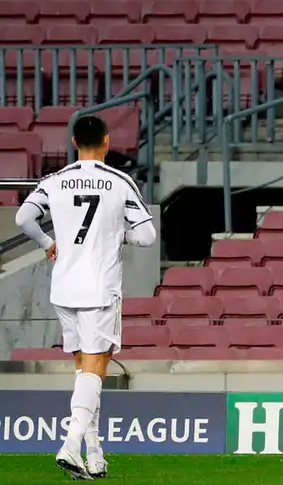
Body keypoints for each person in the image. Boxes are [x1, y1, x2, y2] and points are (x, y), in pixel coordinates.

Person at [15, 115, 156, 479]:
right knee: (96, 371)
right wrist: (117, 236)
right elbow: (146, 236)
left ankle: (94, 454)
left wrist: (48, 244)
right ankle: (70, 443)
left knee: (83, 373)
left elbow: (23, 218)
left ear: (74, 142)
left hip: (64, 287)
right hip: (99, 288)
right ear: (107, 142)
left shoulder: (55, 180)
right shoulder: (119, 181)